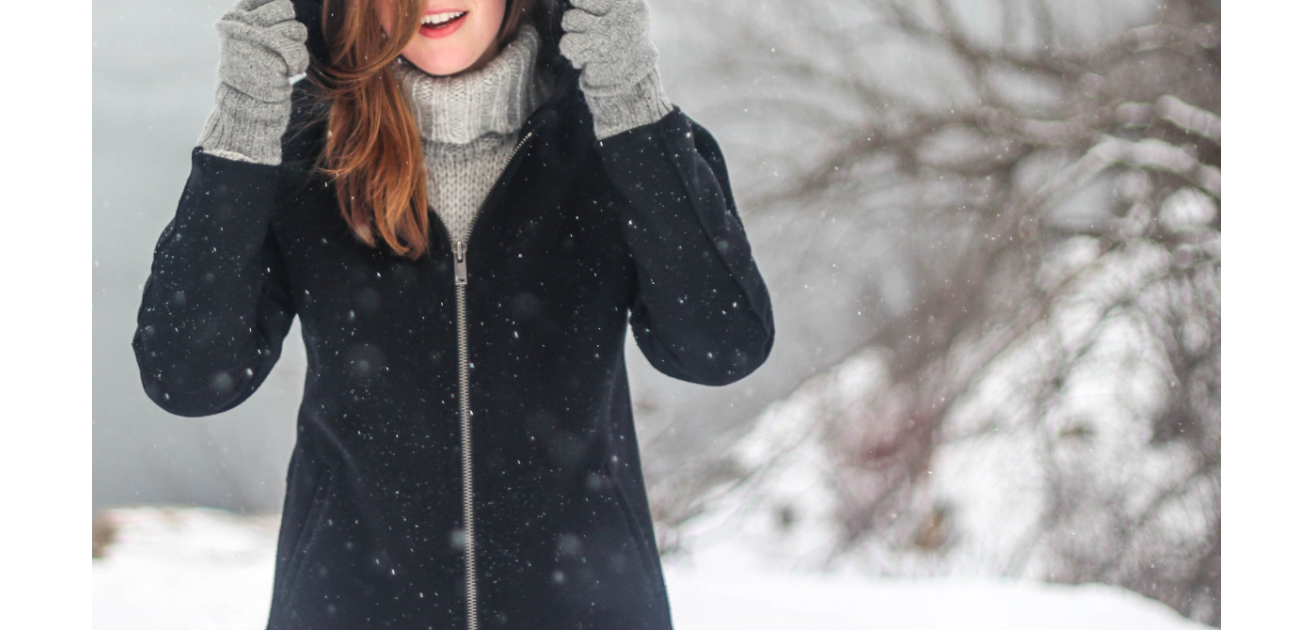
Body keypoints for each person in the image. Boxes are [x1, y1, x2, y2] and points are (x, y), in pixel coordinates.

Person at [131, 0, 775, 627]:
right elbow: (187, 376)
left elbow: (720, 347)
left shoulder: (618, 137)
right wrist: (246, 117)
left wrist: (629, 94)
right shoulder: (303, 151)